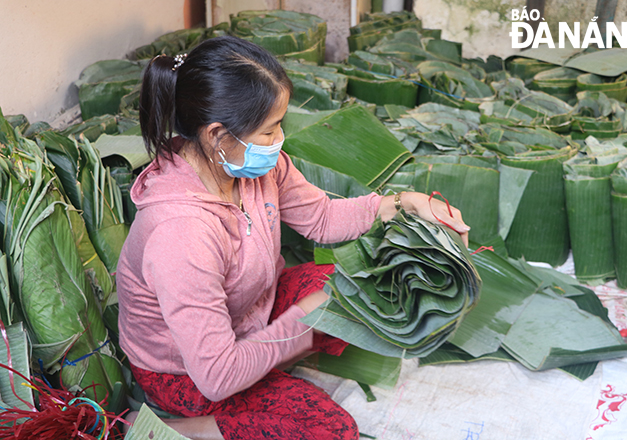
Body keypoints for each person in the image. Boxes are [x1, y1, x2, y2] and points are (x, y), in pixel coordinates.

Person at [117, 35, 469, 440]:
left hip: (248, 313)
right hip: (185, 371)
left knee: (353, 285)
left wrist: (405, 203)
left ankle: (264, 360)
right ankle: (186, 427)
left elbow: (321, 217)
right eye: (269, 130)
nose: (279, 140)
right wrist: (304, 321)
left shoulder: (252, 165)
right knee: (329, 429)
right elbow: (215, 374)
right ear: (217, 135)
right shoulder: (181, 234)